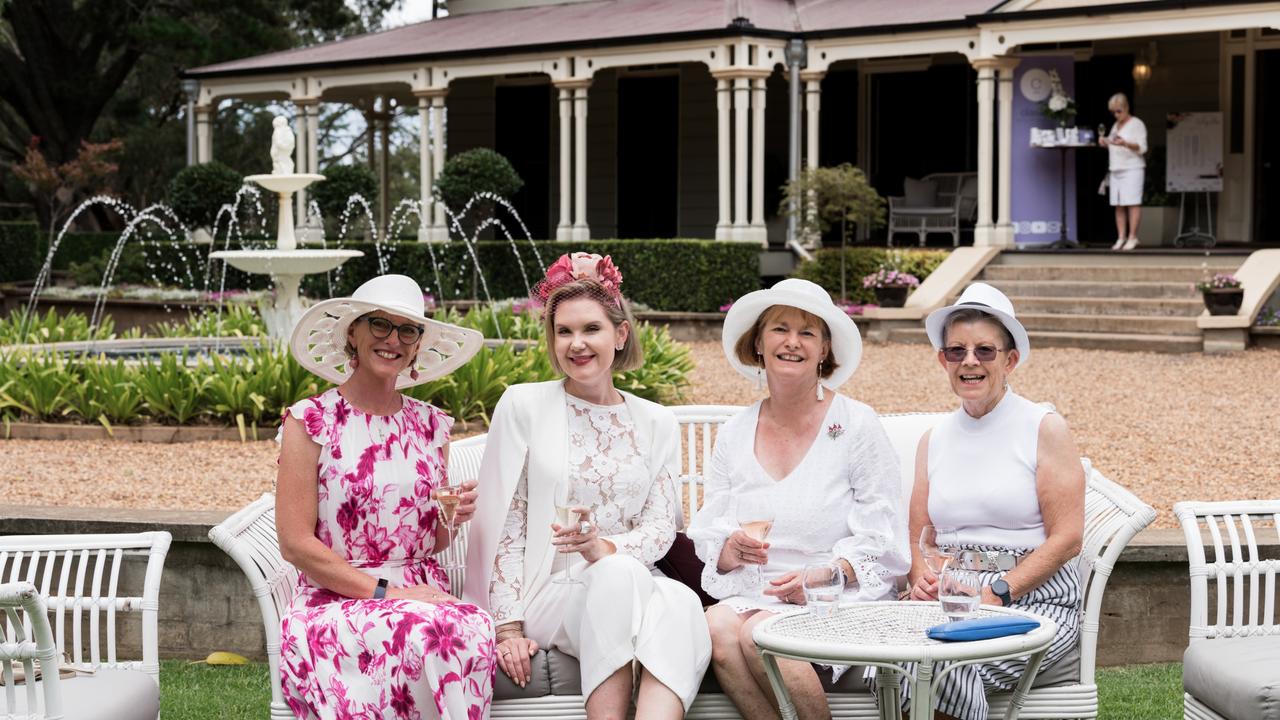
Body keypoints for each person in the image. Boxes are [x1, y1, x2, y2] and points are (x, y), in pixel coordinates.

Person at [465, 252, 711, 719]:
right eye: (564, 331)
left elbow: (661, 526)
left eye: (591, 329)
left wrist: (605, 548)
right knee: (620, 577)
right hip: (550, 589)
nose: (576, 344)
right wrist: (507, 627)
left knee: (679, 601)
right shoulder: (524, 406)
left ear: (620, 334)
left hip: (634, 578)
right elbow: (505, 524)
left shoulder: (655, 420)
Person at [687, 278, 910, 720]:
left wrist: (828, 574)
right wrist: (731, 550)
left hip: (834, 594)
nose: (792, 342)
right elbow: (713, 532)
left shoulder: (857, 425)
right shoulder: (734, 433)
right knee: (715, 626)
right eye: (779, 329)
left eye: (807, 333)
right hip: (759, 589)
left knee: (758, 634)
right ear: (758, 344)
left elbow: (883, 533)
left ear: (825, 350)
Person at [275, 273, 495, 719]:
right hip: (335, 597)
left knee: (470, 624)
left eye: (407, 330)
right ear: (351, 334)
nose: (392, 339)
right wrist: (386, 593)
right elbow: (295, 544)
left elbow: (428, 543)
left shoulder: (432, 426)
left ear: (416, 346)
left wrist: (451, 520)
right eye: (379, 324)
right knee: (425, 631)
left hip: (420, 590)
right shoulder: (311, 422)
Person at [904, 282, 1085, 720]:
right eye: (956, 351)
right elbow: (917, 536)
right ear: (942, 360)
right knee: (896, 661)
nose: (969, 361)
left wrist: (997, 593)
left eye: (985, 350)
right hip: (953, 598)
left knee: (943, 666)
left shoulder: (1043, 427)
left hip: (1034, 596)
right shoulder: (935, 439)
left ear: (1011, 360)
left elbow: (1068, 538)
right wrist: (921, 578)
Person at [1099, 92, 1148, 250]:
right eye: (1113, 112)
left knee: (1132, 202)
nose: (1116, 114)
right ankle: (1121, 237)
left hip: (1132, 168)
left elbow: (1142, 148)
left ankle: (1133, 237)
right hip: (1116, 168)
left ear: (1126, 107)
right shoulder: (1115, 125)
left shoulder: (1137, 124)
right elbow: (1114, 144)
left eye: (1119, 111)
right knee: (1118, 204)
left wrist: (1125, 143)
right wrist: (1105, 142)